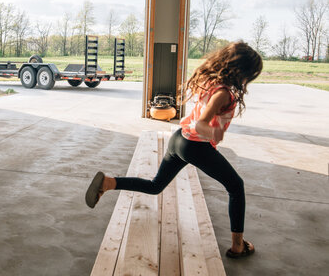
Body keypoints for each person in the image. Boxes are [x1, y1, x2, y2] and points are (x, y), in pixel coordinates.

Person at [85, 42, 263, 259]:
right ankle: (238, 246)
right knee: (236, 186)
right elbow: (202, 124)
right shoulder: (223, 93)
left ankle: (109, 182)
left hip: (179, 140)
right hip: (196, 146)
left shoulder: (210, 82)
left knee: (155, 186)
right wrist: (213, 132)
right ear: (241, 71)